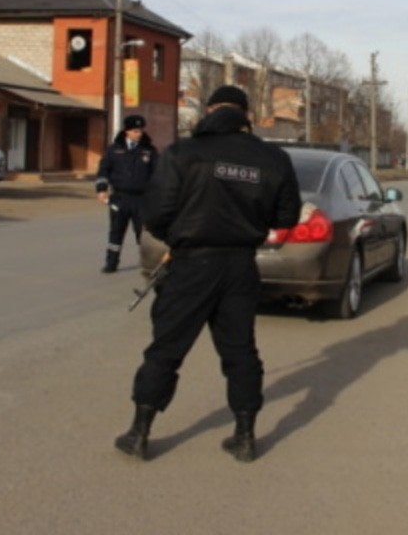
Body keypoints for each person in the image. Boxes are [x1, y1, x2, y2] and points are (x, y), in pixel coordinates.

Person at [114, 85, 301, 463]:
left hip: (191, 264)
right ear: (247, 115)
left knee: (166, 350)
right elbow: (286, 217)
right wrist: (249, 225)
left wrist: (182, 238)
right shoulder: (273, 157)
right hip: (240, 265)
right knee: (241, 352)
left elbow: (155, 215)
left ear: (211, 109)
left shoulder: (184, 153)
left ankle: (139, 433)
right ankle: (245, 437)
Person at [94, 115, 157, 273]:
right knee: (116, 232)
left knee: (143, 235)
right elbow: (103, 170)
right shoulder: (114, 149)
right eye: (135, 131)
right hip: (119, 198)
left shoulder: (149, 150)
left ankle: (148, 264)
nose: (139, 134)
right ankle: (111, 263)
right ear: (127, 131)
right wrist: (101, 189)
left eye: (141, 130)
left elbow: (159, 174)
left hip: (141, 199)